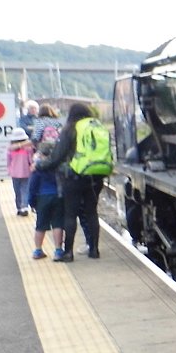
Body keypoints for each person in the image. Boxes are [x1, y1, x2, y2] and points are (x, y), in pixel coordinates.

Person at [35, 102, 111, 261]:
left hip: (73, 178)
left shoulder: (70, 129)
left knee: (70, 214)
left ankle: (68, 253)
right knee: (91, 213)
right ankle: (94, 250)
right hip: (96, 177)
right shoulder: (96, 127)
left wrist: (40, 166)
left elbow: (57, 157)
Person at [28, 156, 64, 259]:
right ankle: (58, 251)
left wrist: (32, 202)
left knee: (40, 225)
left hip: (42, 198)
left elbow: (32, 187)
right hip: (57, 196)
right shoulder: (58, 165)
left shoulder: (38, 168)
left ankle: (38, 250)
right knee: (58, 224)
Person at [7, 127, 34, 215]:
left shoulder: (10, 149)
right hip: (26, 172)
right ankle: (24, 207)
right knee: (25, 190)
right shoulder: (28, 148)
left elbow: (8, 161)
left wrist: (9, 170)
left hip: (14, 173)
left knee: (17, 191)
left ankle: (19, 208)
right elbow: (31, 160)